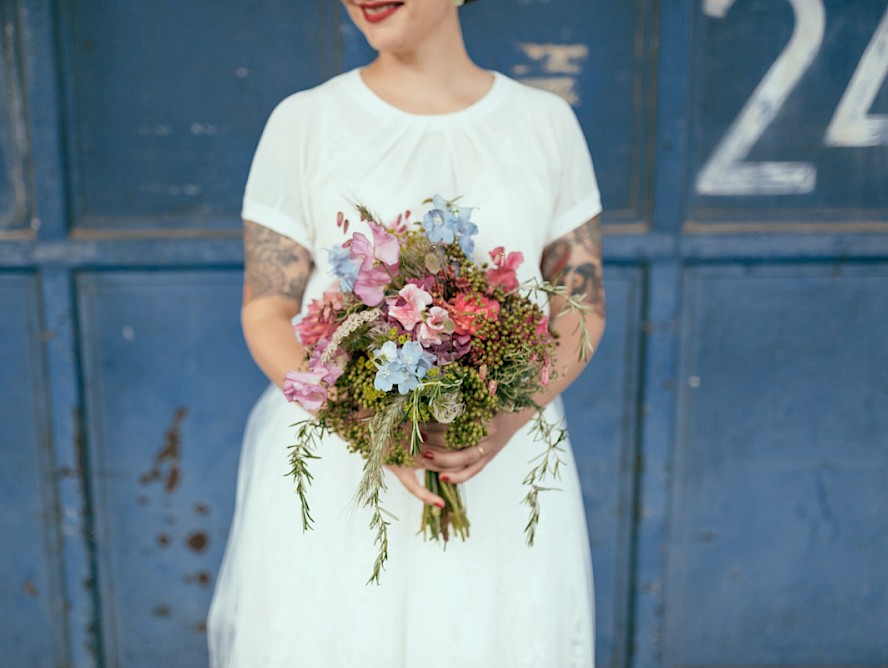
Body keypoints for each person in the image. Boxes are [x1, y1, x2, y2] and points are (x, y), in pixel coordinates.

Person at [207, 0, 606, 665]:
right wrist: (360, 422)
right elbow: (266, 310)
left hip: (498, 467)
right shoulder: (304, 123)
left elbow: (580, 305)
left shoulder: (545, 124)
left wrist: (507, 418)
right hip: (342, 463)